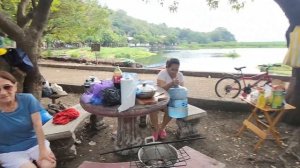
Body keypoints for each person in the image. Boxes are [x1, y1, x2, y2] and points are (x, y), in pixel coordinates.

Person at [0, 71, 56, 168]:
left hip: (34, 143)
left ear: (15, 86)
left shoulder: (27, 99)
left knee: (48, 164)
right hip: (9, 150)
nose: (3, 93)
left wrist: (43, 151)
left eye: (7, 87)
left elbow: (38, 126)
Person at [149, 58, 184, 140]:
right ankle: (156, 129)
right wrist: (171, 83)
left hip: (172, 99)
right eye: (172, 69)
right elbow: (161, 89)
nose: (175, 72)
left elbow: (182, 91)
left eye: (177, 69)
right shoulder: (162, 73)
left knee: (172, 110)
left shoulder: (180, 75)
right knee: (153, 108)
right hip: (160, 97)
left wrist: (178, 86)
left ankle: (162, 128)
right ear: (167, 68)